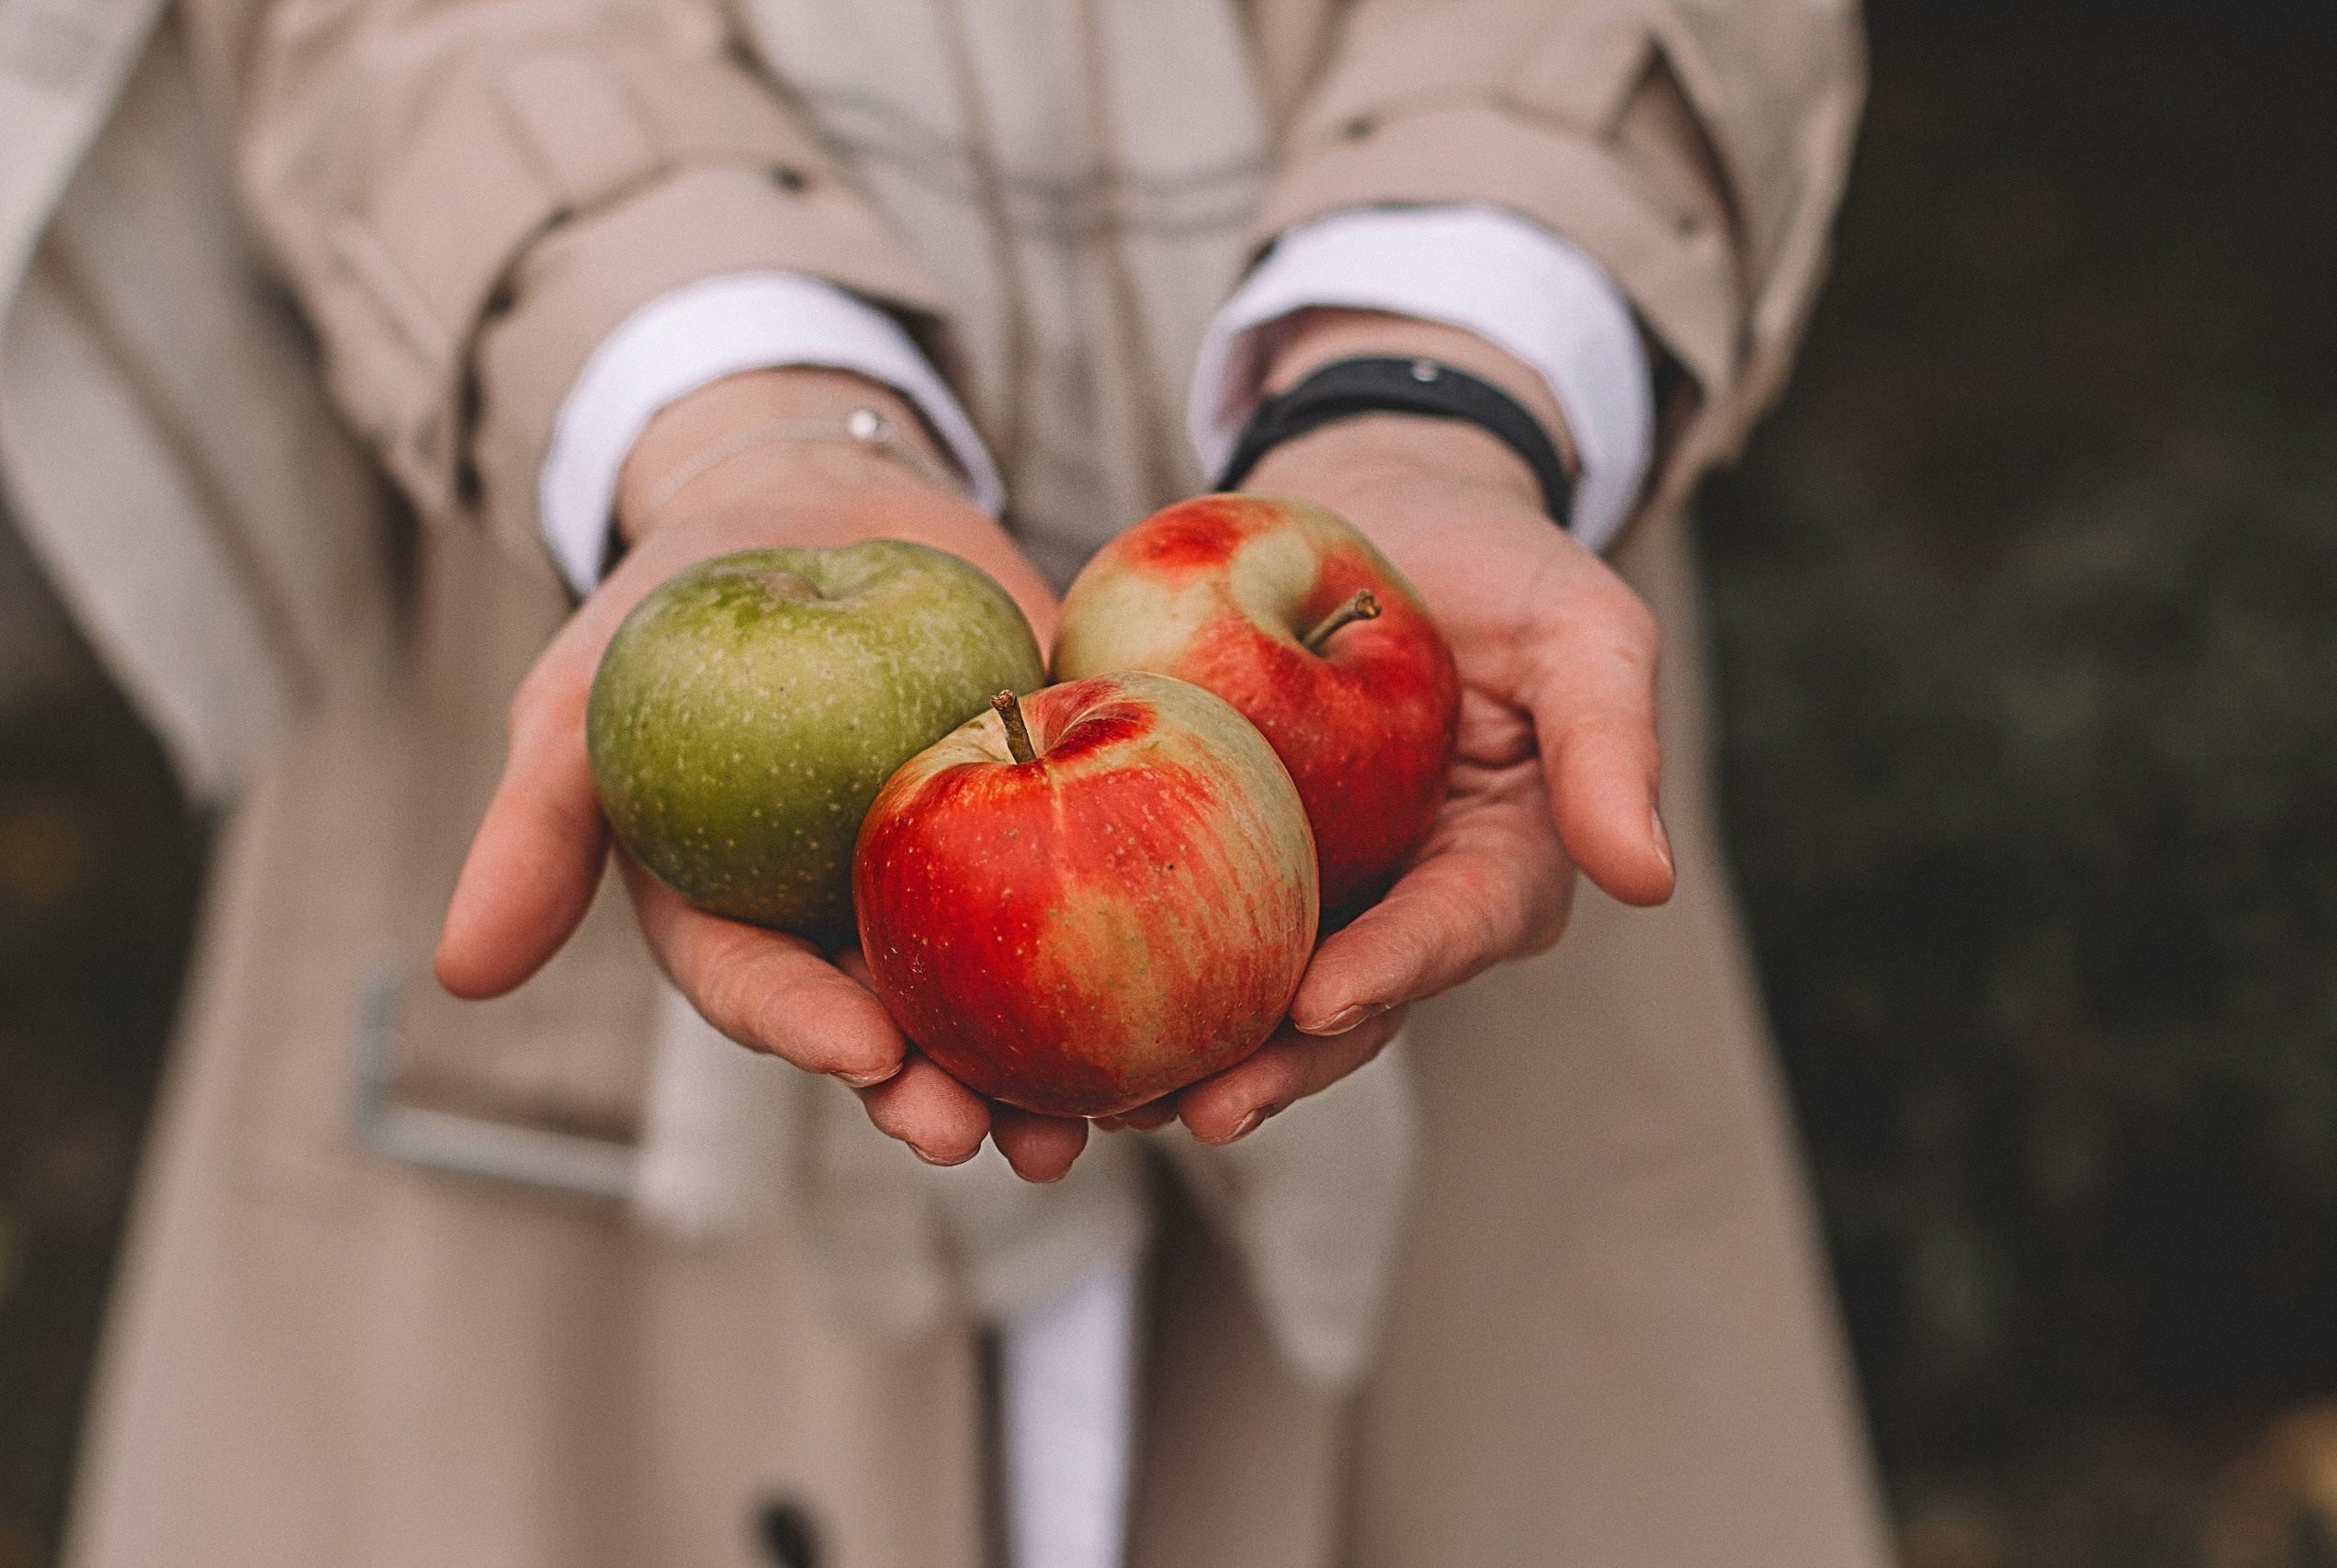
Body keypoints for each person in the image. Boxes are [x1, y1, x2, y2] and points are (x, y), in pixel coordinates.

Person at [0, 0, 1888, 1562]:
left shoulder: (1395, 641)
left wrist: (1436, 383)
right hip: (555, 808)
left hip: (1441, 848)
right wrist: (726, 397)